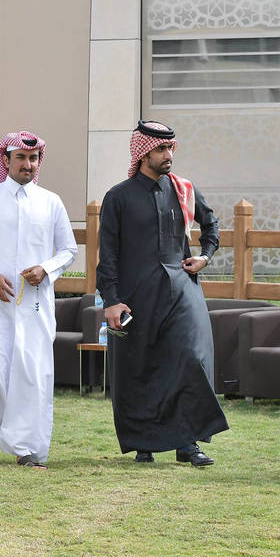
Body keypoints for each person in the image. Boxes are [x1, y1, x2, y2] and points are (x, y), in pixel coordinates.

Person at [97, 120, 228, 466]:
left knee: (191, 360)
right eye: (160, 149)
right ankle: (146, 443)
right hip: (136, 297)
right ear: (143, 153)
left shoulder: (183, 190)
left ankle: (188, 444)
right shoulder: (118, 198)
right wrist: (110, 300)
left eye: (171, 148)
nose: (168, 155)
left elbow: (211, 224)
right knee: (141, 368)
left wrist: (205, 256)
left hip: (183, 292)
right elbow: (107, 256)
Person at [0, 131, 77, 469]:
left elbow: (68, 250)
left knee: (31, 373)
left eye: (34, 158)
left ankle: (25, 448)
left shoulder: (51, 201)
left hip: (35, 303)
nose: (28, 164)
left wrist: (47, 268)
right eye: (21, 158)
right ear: (6, 160)